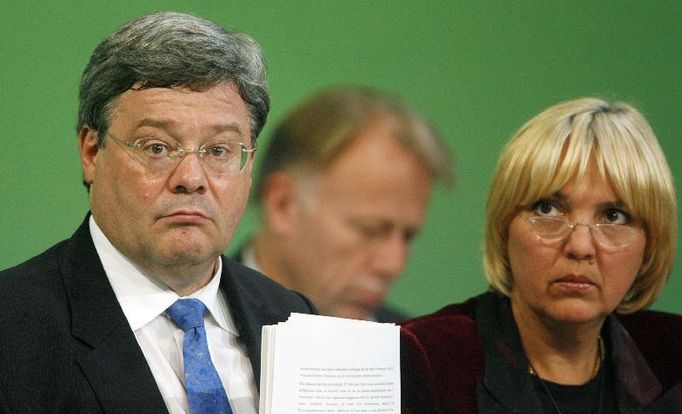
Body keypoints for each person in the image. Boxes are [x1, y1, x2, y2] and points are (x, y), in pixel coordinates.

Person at [0, 11, 316, 414]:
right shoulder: (11, 329)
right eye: (157, 147)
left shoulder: (292, 319)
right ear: (92, 152)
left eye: (219, 150)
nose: (191, 178)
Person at [400, 98, 682, 413]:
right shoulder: (426, 359)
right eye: (547, 209)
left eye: (614, 216)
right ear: (504, 227)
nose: (580, 246)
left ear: (650, 243)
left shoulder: (671, 358)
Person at [234, 86, 454, 322]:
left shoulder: (414, 350)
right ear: (283, 204)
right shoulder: (194, 330)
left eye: (408, 237)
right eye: (369, 230)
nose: (393, 265)